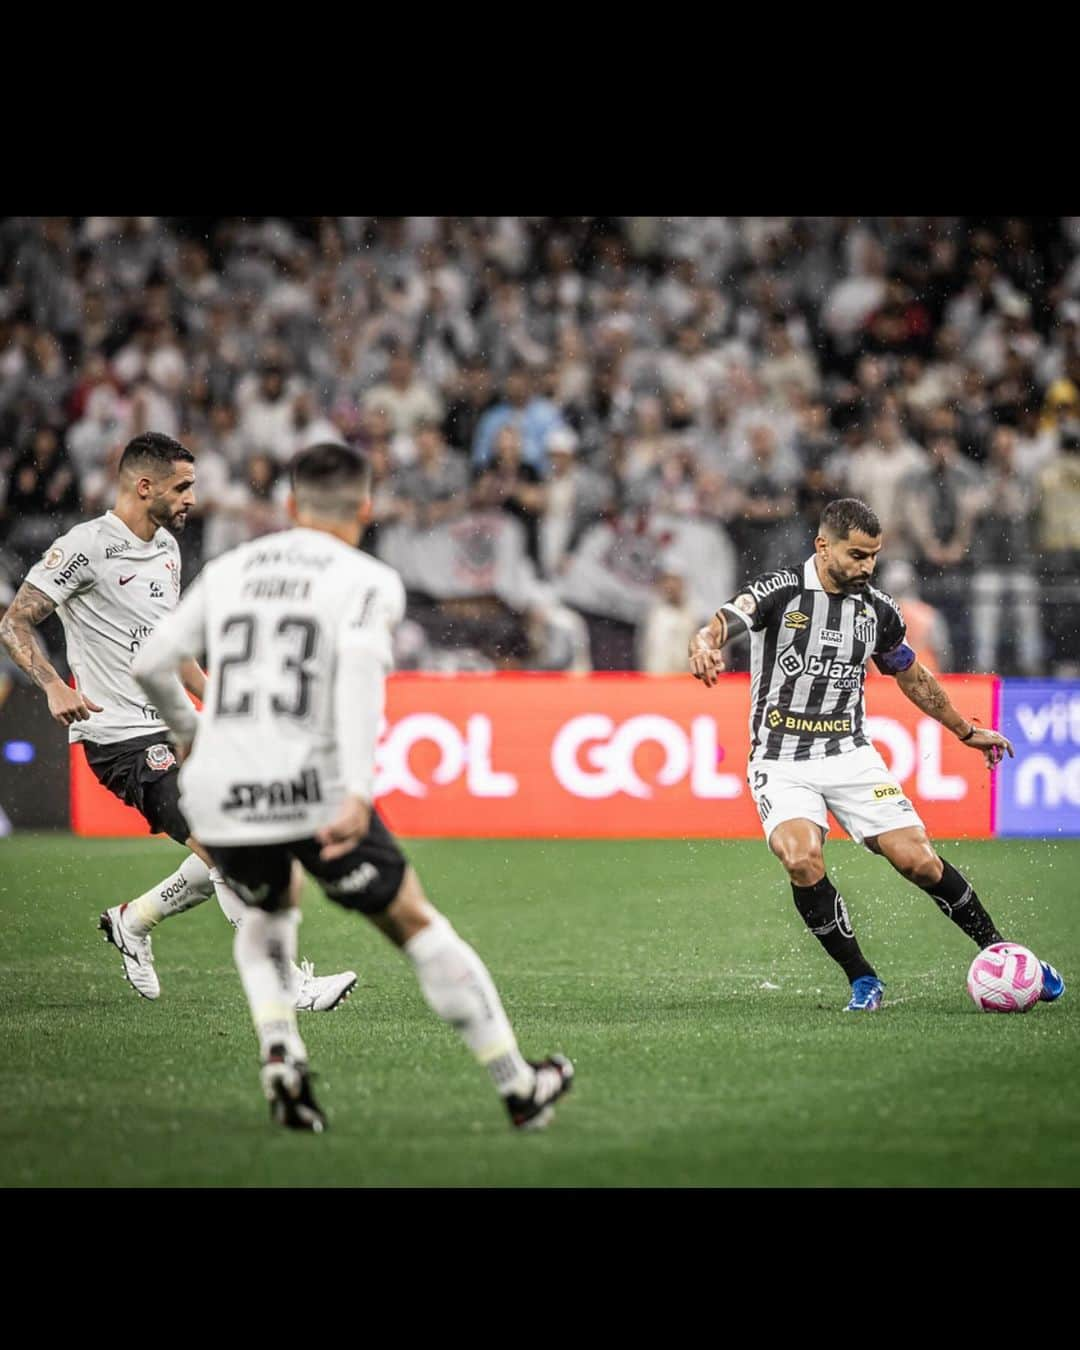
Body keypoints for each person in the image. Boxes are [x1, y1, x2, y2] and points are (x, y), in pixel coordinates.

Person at [131, 441, 574, 1133]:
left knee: (269, 916)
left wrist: (188, 737)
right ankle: (518, 1085)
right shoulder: (367, 579)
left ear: (288, 506)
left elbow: (155, 661)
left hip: (220, 787)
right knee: (415, 924)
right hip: (311, 785)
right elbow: (363, 679)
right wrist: (359, 789)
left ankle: (280, 1052)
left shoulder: (231, 568)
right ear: (366, 508)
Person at [0, 432, 356, 1012]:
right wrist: (52, 685)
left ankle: (133, 920)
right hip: (118, 735)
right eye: (182, 486)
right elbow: (14, 621)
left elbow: (171, 649)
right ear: (144, 486)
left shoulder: (166, 547)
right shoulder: (85, 547)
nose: (193, 498)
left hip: (173, 724)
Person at [687, 496, 1066, 1012]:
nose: (867, 567)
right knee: (801, 858)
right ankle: (863, 979)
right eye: (857, 555)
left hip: (849, 754)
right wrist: (705, 643)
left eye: (874, 556)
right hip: (780, 757)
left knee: (919, 863)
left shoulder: (878, 611)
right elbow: (724, 619)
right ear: (823, 546)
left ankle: (1008, 956)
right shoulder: (782, 591)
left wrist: (963, 729)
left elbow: (910, 673)